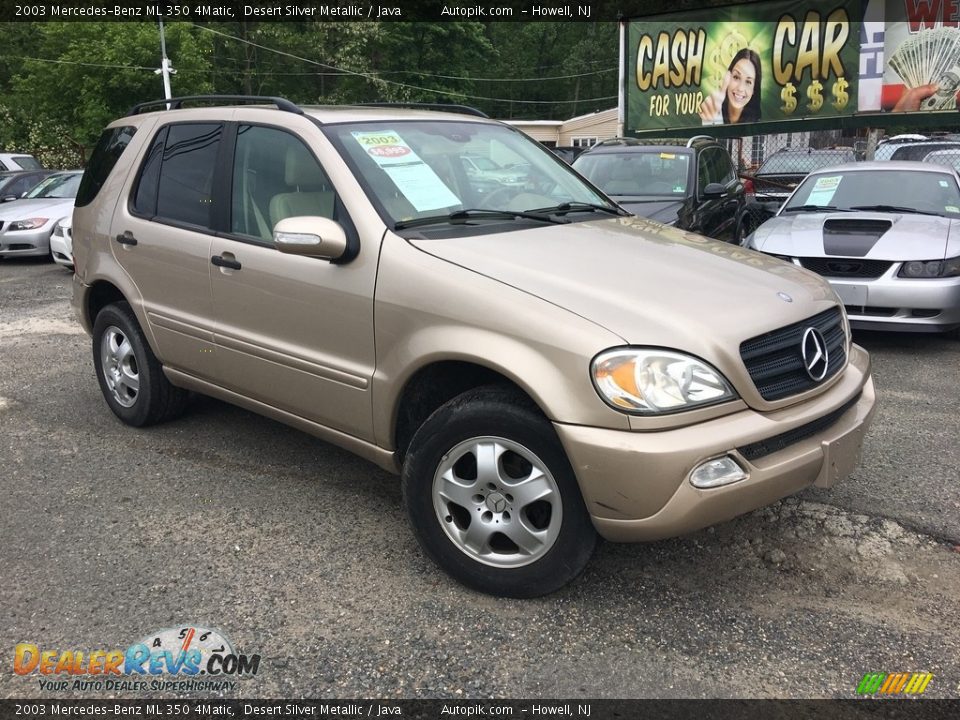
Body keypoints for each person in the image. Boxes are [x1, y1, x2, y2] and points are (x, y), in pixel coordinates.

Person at [699, 48, 762, 125]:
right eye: (736, 77)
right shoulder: (715, 108)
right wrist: (708, 121)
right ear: (728, 77)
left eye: (748, 82)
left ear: (754, 89)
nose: (740, 88)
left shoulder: (757, 125)